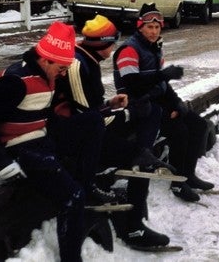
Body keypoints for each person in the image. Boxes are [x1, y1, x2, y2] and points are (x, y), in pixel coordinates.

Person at [0, 22, 115, 262]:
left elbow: (44, 115)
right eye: (61, 68)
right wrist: (1, 160)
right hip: (20, 147)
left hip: (41, 137)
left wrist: (103, 111)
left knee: (93, 121)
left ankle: (87, 185)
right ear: (46, 60)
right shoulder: (16, 81)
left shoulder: (47, 75)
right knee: (72, 196)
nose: (63, 73)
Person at [52, 15, 171, 249]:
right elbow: (85, 115)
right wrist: (121, 115)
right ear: (102, 44)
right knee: (137, 149)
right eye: (112, 43)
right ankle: (133, 226)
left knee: (149, 118)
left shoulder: (89, 59)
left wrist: (110, 104)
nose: (114, 48)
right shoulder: (78, 64)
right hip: (72, 135)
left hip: (86, 127)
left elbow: (91, 107)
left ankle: (136, 213)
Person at [113, 3, 214, 204]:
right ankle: (177, 183)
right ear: (140, 27)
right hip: (140, 104)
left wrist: (176, 102)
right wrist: (163, 75)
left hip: (158, 99)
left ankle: (188, 175)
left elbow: (162, 84)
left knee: (199, 124)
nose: (153, 31)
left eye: (157, 27)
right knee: (180, 131)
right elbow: (132, 84)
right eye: (149, 27)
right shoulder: (129, 49)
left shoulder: (154, 47)